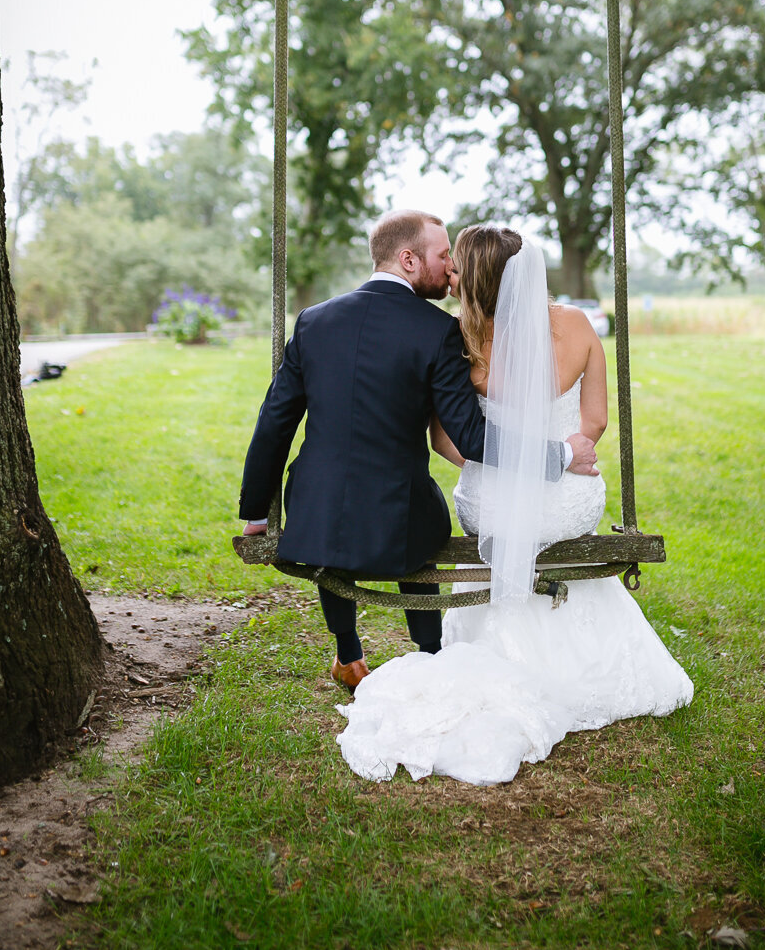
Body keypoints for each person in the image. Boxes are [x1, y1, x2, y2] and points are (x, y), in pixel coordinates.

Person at [335, 225, 693, 785]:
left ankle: (504, 651)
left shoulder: (461, 339)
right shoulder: (576, 325)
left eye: (457, 269)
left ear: (476, 282)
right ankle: (582, 663)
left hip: (494, 505)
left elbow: (448, 443)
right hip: (572, 495)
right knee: (555, 518)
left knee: (496, 515)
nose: (449, 274)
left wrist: (504, 474)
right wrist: (564, 455)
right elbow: (595, 422)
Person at [237, 211, 598, 691]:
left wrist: (257, 512)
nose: (451, 268)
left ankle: (347, 652)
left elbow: (275, 422)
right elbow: (470, 437)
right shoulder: (437, 330)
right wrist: (558, 456)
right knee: (422, 516)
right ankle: (429, 652)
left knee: (329, 508)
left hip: (314, 507)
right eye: (443, 255)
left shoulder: (313, 320)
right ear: (408, 259)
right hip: (399, 509)